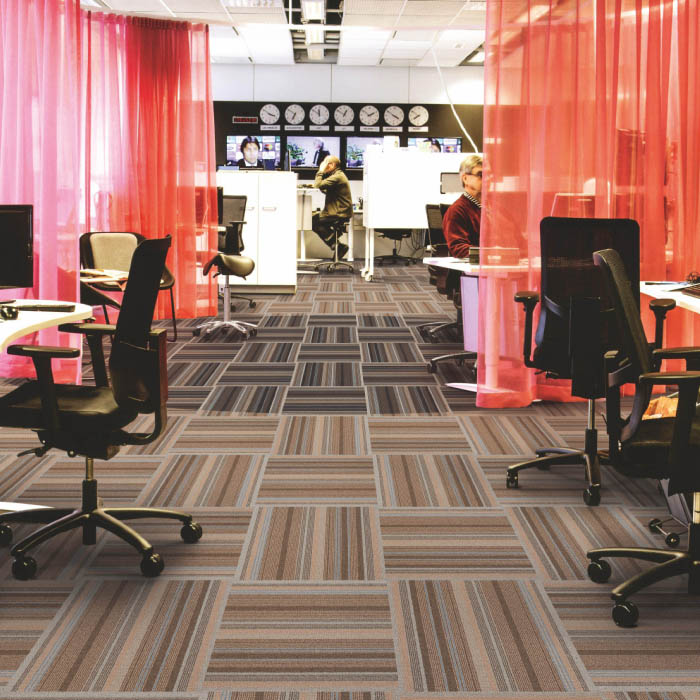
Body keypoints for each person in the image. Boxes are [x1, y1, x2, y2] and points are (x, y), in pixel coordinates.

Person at [312, 155, 353, 259]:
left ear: (332, 165)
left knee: (313, 222)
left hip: (339, 213)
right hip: (339, 211)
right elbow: (328, 190)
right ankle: (337, 245)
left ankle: (338, 246)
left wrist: (320, 171)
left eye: (325, 163)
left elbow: (317, 185)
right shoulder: (337, 175)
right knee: (315, 221)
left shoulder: (337, 176)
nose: (323, 165)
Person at [443, 154, 482, 259]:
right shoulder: (457, 211)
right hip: (475, 267)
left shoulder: (496, 210)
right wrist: (492, 254)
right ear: (465, 179)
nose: (488, 179)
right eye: (481, 175)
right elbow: (459, 249)